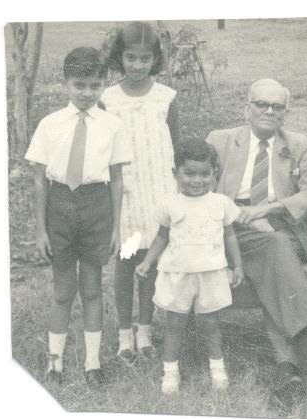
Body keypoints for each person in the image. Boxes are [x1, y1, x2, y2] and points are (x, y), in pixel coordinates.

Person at [207, 78, 307, 411]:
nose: (269, 111)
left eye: (277, 106)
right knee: (277, 248)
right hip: (229, 227)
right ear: (246, 107)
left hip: (278, 225)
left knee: (275, 253)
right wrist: (239, 214)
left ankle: (288, 372)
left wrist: (269, 209)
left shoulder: (297, 143)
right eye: (261, 104)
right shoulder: (220, 141)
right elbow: (199, 190)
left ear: (285, 113)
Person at [25, 47, 131, 386]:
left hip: (97, 207)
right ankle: (54, 364)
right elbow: (40, 179)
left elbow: (117, 179)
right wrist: (40, 229)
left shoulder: (113, 125)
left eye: (95, 85)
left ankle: (92, 363)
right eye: (79, 85)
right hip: (59, 206)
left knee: (92, 287)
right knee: (62, 290)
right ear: (65, 82)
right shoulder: (50, 124)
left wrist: (115, 226)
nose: (87, 93)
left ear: (104, 84)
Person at [136, 140, 244, 395]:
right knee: (174, 324)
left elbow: (230, 236)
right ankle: (170, 372)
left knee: (210, 323)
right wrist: (148, 261)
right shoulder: (169, 204)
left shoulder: (221, 203)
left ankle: (217, 367)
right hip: (178, 274)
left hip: (211, 273)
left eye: (205, 174)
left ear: (214, 173)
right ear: (176, 173)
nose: (197, 180)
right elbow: (162, 237)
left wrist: (237, 264)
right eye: (189, 173)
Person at [102, 22, 179, 365]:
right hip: (127, 196)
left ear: (155, 60)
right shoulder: (108, 100)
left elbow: (175, 148)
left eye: (144, 59)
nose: (137, 65)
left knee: (151, 262)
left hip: (158, 192)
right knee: (126, 262)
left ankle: (145, 331)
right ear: (120, 57)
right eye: (130, 57)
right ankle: (123, 335)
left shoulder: (166, 97)